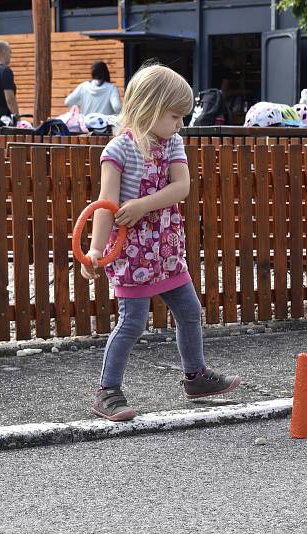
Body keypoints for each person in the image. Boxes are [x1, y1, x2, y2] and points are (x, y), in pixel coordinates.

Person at [81, 64, 241, 421]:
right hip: (133, 254)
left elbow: (181, 187)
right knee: (132, 323)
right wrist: (94, 250)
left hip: (167, 251)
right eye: (175, 115)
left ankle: (195, 377)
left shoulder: (172, 144)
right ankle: (108, 391)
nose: (180, 124)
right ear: (150, 109)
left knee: (188, 311)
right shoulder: (118, 152)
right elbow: (105, 206)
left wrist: (141, 205)